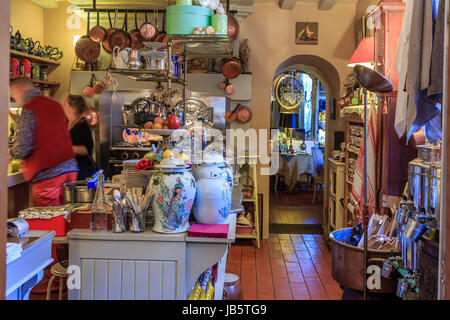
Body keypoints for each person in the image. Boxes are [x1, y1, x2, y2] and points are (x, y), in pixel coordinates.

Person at [10, 78, 78, 207]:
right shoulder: (55, 104)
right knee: (67, 215)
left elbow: (23, 147)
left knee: (48, 220)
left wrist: (12, 153)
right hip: (69, 169)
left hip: (49, 174)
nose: (14, 99)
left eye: (13, 95)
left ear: (19, 90)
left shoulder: (28, 108)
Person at [62, 95, 97, 180]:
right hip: (70, 170)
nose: (63, 108)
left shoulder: (82, 125)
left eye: (65, 105)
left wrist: (65, 148)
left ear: (73, 108)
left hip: (81, 173)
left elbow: (86, 149)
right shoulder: (67, 123)